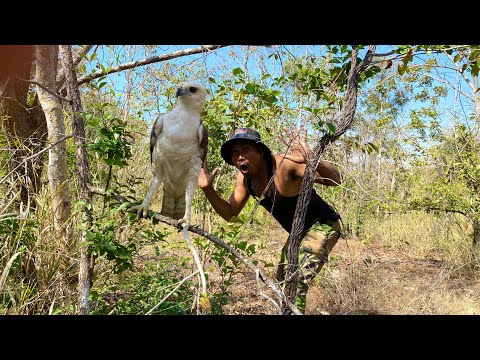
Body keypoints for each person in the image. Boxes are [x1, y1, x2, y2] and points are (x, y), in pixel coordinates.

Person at [198, 127, 342, 314]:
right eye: (234, 152)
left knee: (297, 279)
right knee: (282, 277)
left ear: (261, 152)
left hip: (323, 224)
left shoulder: (285, 165)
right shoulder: (244, 179)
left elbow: (336, 180)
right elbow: (230, 212)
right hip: (298, 232)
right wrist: (207, 189)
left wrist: (313, 159)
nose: (239, 156)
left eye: (245, 150)